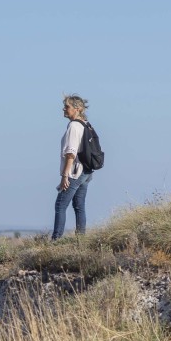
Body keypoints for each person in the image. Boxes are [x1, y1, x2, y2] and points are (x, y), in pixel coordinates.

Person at [52, 94, 92, 240]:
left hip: (75, 172)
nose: (64, 109)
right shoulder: (85, 124)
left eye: (67, 106)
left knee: (60, 205)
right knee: (79, 206)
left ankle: (55, 241)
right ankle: (80, 240)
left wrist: (65, 175)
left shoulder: (74, 125)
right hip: (87, 171)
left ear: (77, 109)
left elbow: (71, 153)